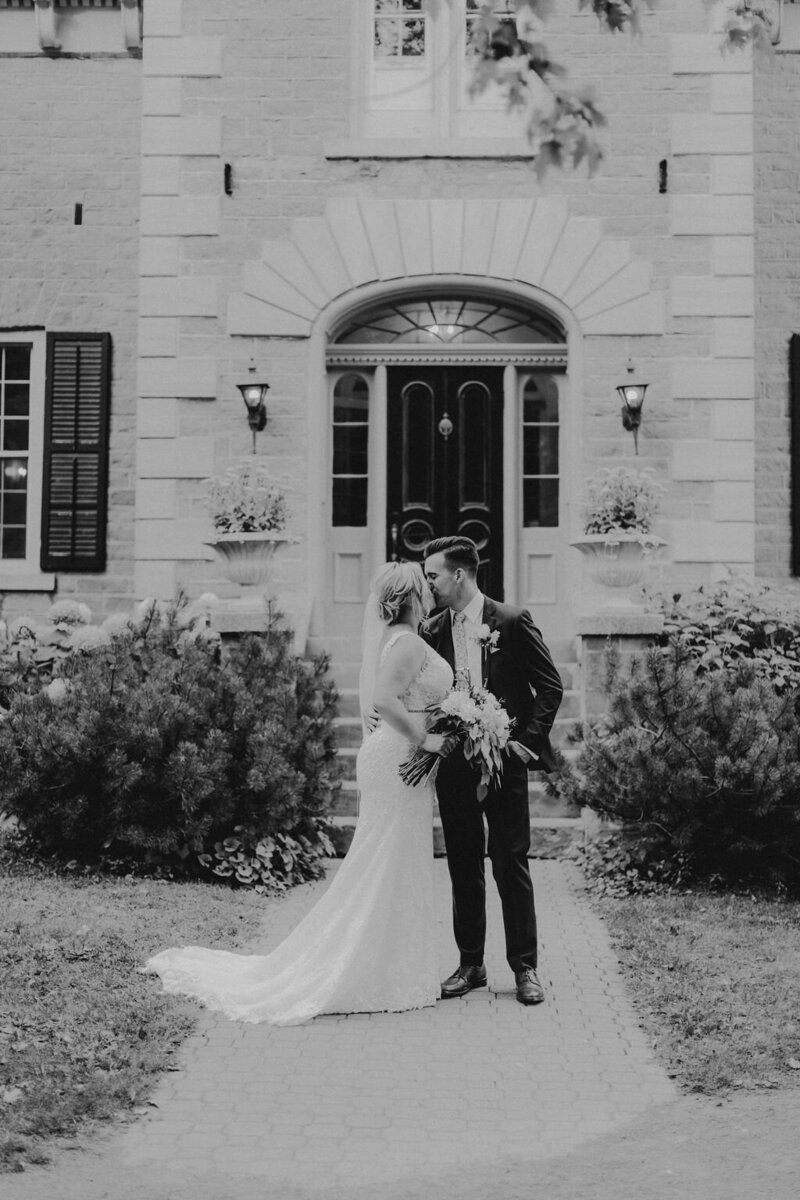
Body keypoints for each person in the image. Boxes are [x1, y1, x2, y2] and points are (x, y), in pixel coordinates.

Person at [143, 561, 453, 1025]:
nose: (430, 591)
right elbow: (386, 701)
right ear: (409, 598)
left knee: (391, 860)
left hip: (393, 760)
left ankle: (390, 965)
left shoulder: (397, 639)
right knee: (386, 860)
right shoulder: (407, 642)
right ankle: (369, 969)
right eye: (422, 586)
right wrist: (427, 738)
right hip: (398, 760)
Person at [422, 536, 563, 1006]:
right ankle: (471, 964)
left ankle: (525, 968)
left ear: (458, 575)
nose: (430, 584)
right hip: (454, 762)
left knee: (510, 861)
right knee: (463, 861)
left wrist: (525, 745)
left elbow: (549, 687)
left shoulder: (510, 620)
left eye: (434, 575)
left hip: (504, 759)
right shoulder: (431, 628)